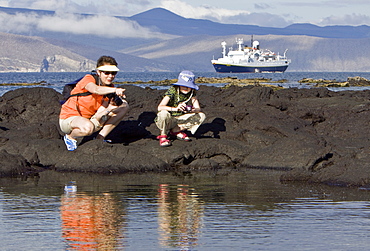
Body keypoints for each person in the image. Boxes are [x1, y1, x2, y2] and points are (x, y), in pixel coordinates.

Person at [59, 55, 129, 151]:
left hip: (89, 119)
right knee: (87, 127)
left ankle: (99, 138)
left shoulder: (109, 90)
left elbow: (99, 115)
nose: (110, 76)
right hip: (70, 118)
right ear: (98, 72)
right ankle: (70, 137)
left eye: (113, 73)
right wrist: (115, 90)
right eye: (107, 73)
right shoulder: (89, 79)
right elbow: (95, 89)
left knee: (124, 106)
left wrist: (109, 109)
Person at [155, 70, 206, 147]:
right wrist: (176, 109)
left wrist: (190, 110)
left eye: (188, 86)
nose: (185, 88)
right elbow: (160, 107)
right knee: (163, 113)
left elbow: (198, 109)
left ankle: (176, 130)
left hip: (180, 118)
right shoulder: (173, 90)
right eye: (183, 85)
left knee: (201, 116)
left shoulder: (192, 92)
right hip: (168, 118)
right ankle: (163, 135)